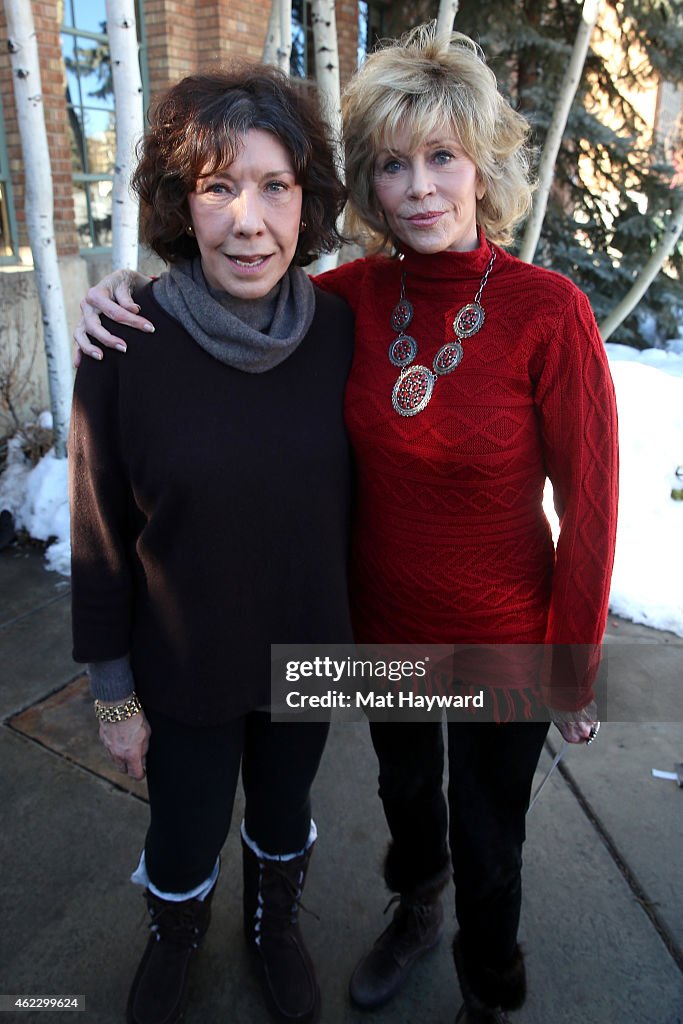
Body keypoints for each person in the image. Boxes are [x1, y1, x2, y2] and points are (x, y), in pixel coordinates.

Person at [74, 25, 619, 1024]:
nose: (417, 188)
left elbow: (586, 505)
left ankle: (488, 991)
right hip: (378, 632)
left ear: (480, 164)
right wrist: (116, 297)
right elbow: (229, 301)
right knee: (407, 808)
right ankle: (413, 913)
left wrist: (572, 661)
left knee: (490, 841)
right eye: (391, 165)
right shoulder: (351, 300)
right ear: (368, 184)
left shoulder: (549, 311)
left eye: (440, 158)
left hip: (500, 636)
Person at [69, 64, 355, 1024]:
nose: (248, 221)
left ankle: (275, 924)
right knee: (185, 835)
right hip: (183, 666)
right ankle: (176, 935)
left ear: (307, 202)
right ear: (178, 203)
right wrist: (113, 698)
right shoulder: (126, 344)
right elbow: (101, 529)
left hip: (309, 656)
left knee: (282, 819)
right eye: (216, 186)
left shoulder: (342, 335)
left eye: (274, 186)